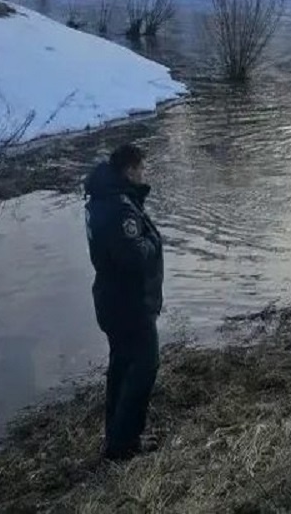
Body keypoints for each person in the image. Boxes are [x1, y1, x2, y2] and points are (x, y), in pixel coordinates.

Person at [84, 144, 164, 462]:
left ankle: (116, 436)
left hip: (112, 300)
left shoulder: (102, 199)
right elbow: (133, 257)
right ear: (129, 171)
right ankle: (125, 443)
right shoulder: (119, 208)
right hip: (129, 304)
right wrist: (153, 241)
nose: (144, 173)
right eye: (141, 168)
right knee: (144, 366)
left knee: (121, 366)